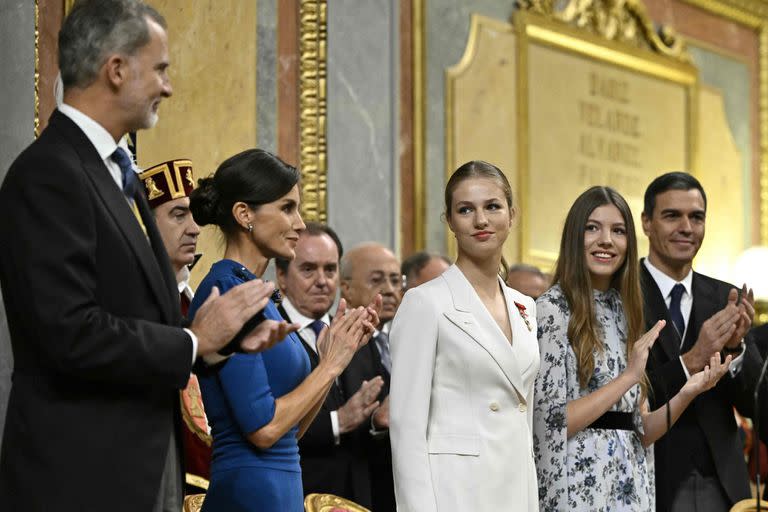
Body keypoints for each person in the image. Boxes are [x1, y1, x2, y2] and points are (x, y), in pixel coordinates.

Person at [0, 2, 283, 511]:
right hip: (81, 476)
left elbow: (134, 314)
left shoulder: (113, 171)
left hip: (139, 465)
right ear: (116, 70)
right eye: (160, 69)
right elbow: (69, 333)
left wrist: (220, 348)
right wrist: (196, 340)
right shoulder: (49, 174)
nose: (168, 86)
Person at [188, 148, 378, 512]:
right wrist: (331, 367)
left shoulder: (257, 294)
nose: (301, 223)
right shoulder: (228, 293)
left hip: (281, 487)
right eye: (287, 208)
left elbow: (291, 431)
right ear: (245, 214)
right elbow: (264, 431)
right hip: (250, 492)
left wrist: (330, 354)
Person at [533, 186, 732, 511]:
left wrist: (688, 392)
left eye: (618, 231)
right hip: (577, 490)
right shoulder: (553, 309)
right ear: (574, 236)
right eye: (592, 228)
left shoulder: (625, 310)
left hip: (632, 486)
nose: (607, 240)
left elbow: (640, 430)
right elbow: (550, 423)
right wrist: (628, 377)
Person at [389, 160, 540, 511]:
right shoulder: (425, 303)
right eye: (465, 210)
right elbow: (406, 428)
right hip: (456, 491)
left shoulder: (525, 306)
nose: (481, 220)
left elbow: (523, 414)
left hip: (515, 486)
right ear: (450, 222)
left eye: (492, 206)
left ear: (511, 215)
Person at [639, 172, 761, 511]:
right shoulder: (623, 294)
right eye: (672, 216)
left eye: (696, 217)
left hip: (722, 485)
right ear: (647, 222)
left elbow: (755, 406)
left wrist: (735, 352)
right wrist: (692, 359)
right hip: (651, 477)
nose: (686, 227)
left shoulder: (727, 296)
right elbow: (622, 397)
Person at [275, 222, 384, 507]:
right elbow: (263, 423)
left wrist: (377, 418)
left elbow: (374, 411)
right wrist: (337, 422)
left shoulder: (354, 331)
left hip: (358, 498)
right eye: (308, 269)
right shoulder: (268, 334)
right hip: (297, 495)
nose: (322, 281)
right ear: (282, 276)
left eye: (330, 269)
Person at [139, 158, 212, 493]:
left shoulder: (197, 296)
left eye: (195, 215)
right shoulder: (134, 299)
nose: (195, 228)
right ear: (145, 225)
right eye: (179, 215)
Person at [339, 242, 402, 512]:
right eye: (377, 280)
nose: (389, 289)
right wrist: (376, 421)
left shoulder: (404, 340)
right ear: (346, 288)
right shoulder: (337, 343)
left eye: (395, 280)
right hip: (356, 490)